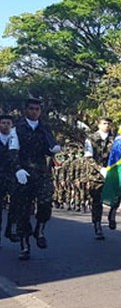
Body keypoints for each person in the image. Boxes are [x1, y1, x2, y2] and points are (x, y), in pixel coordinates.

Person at [11, 98, 62, 260]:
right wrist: (18, 170)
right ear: (25, 110)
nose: (34, 112)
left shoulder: (44, 128)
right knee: (24, 210)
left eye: (37, 109)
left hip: (41, 172)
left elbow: (50, 148)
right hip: (23, 174)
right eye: (31, 109)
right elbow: (13, 152)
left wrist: (53, 150)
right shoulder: (17, 128)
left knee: (46, 202)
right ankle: (25, 245)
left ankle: (39, 229)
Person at [83, 117, 116, 240]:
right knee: (97, 201)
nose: (107, 125)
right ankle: (97, 226)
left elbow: (120, 155)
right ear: (99, 124)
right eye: (104, 123)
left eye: (108, 123)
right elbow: (88, 157)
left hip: (112, 173)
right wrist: (100, 168)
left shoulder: (115, 139)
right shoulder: (91, 139)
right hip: (96, 175)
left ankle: (112, 214)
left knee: (117, 195)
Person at [0, 115, 18, 246]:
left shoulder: (16, 138)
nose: (5, 125)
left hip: (13, 176)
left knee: (17, 204)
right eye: (3, 123)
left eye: (8, 123)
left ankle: (10, 229)